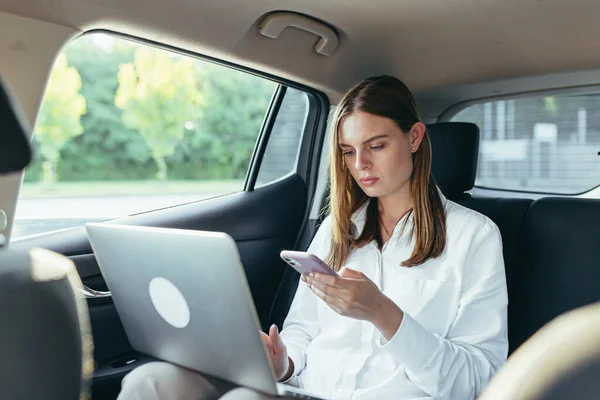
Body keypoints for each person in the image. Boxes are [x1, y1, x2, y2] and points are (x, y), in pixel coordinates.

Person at [118, 75, 508, 400]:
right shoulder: (339, 229)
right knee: (148, 383)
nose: (360, 165)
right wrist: (283, 362)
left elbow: (478, 380)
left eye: (376, 146)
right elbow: (304, 330)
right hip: (306, 391)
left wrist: (383, 313)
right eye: (348, 151)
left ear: (414, 137)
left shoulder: (474, 237)